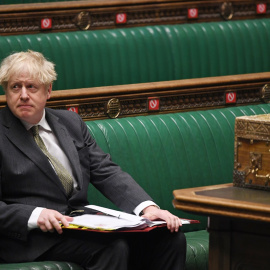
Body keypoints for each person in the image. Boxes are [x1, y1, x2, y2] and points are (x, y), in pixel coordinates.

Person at [0, 50, 186, 269]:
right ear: (6, 91)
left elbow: (104, 170)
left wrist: (147, 209)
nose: (23, 95)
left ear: (48, 90)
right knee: (113, 247)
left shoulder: (70, 122)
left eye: (31, 87)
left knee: (169, 239)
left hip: (80, 224)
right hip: (30, 237)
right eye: (15, 87)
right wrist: (35, 214)